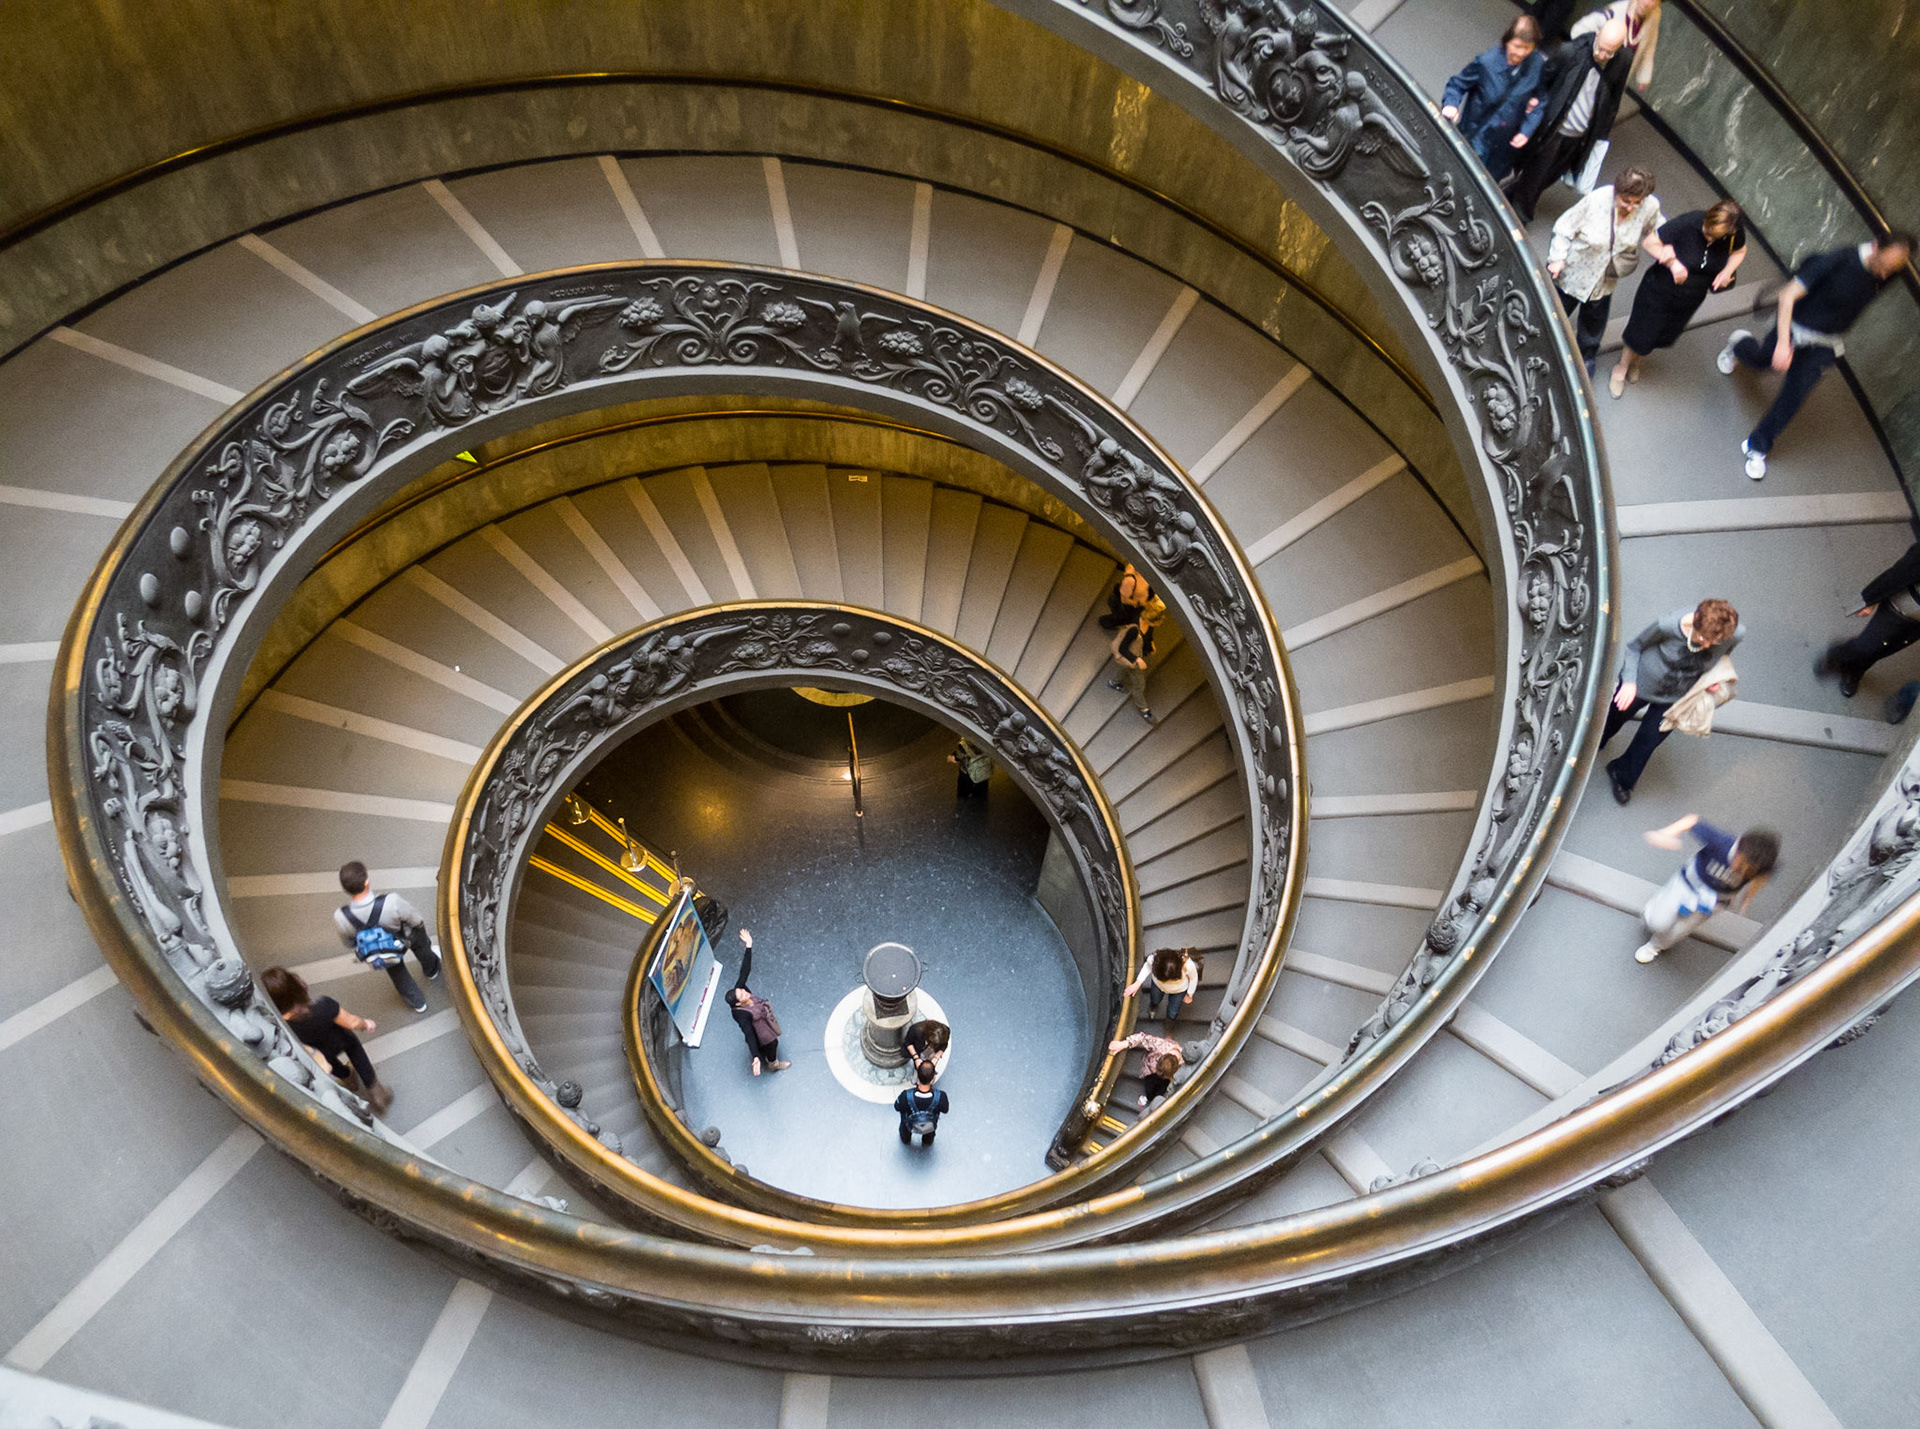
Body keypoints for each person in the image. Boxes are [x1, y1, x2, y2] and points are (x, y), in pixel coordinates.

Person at [1717, 233, 1915, 480]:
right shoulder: (1837, 261)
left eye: (1893, 269)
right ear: (1875, 248)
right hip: (1794, 328)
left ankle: (1757, 446)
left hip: (1824, 344)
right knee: (1761, 361)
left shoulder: (1886, 276)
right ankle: (1739, 344)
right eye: (1885, 266)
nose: (1886, 275)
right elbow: (1787, 295)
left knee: (1795, 394)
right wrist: (1781, 342)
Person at [1600, 598, 1743, 805]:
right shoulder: (1667, 626)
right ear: (1695, 621)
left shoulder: (1734, 634)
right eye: (1703, 638)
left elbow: (1722, 657)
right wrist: (1629, 682)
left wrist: (1711, 678)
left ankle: (1621, 775)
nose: (1707, 645)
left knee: (1649, 740)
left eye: (1714, 643)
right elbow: (1634, 647)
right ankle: (1597, 740)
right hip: (1641, 685)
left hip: (1678, 696)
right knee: (1615, 715)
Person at [1610, 200, 1746, 397]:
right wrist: (1674, 264)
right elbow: (1650, 242)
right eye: (1707, 233)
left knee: (1660, 333)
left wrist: (1727, 270)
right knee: (1641, 331)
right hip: (1659, 290)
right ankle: (1621, 367)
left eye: (1715, 237)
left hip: (1689, 299)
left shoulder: (1734, 230)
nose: (1709, 238)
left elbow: (1741, 251)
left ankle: (1637, 358)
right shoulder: (1690, 222)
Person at [1508, 18, 1631, 223]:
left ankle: (1512, 193)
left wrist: (1602, 135)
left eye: (1609, 52)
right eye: (1601, 49)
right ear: (1597, 34)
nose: (1602, 55)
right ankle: (1520, 217)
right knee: (1537, 173)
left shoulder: (1623, 61)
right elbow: (1545, 79)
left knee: (1552, 174)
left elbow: (1613, 100)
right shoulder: (1571, 52)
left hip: (1581, 135)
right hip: (1556, 127)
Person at [1547, 166, 1662, 371]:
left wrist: (1669, 246)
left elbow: (1656, 228)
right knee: (1554, 312)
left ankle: (1586, 357)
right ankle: (1543, 346)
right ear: (1617, 193)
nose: (1631, 207)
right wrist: (1557, 258)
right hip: (1575, 272)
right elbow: (1565, 227)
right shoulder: (1596, 200)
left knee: (1593, 322)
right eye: (1626, 201)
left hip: (1605, 278)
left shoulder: (1650, 206)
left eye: (1638, 203)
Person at [1634, 815, 1778, 964]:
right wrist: (1666, 833)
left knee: (1680, 930)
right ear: (1738, 846)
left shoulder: (1761, 866)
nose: (1741, 871)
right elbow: (1692, 821)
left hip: (1714, 901)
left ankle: (1654, 946)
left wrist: (1747, 899)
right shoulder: (1722, 843)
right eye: (1740, 864)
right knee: (1657, 922)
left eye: (1748, 871)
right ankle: (1652, 912)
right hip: (1688, 884)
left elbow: (1760, 880)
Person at [261, 966, 393, 1115]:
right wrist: (366, 1023)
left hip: (318, 1051)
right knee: (355, 1051)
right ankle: (377, 1094)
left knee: (331, 1062)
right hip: (339, 1039)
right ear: (295, 987)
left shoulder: (282, 1024)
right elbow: (352, 1023)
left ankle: (348, 1077)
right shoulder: (324, 1006)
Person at [1441, 16, 1546, 182]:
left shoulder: (1536, 64)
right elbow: (1457, 84)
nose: (1521, 53)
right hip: (1476, 138)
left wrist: (1527, 130)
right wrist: (1451, 104)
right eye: (1517, 46)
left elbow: (1540, 99)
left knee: (1490, 185)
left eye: (1527, 48)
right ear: (1507, 41)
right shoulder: (1486, 63)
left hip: (1503, 147)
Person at [333, 861, 440, 1014]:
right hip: (407, 937)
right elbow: (415, 919)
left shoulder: (341, 916)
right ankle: (432, 970)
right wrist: (419, 926)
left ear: (346, 889)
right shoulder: (391, 901)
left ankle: (418, 1003)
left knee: (398, 974)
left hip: (382, 950)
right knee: (422, 946)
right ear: (366, 882)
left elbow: (349, 942)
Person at [1815, 543, 1920, 698]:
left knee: (1885, 649)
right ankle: (1837, 657)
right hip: (1900, 609)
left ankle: (1855, 670)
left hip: (1917, 624)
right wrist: (1871, 599)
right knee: (1868, 644)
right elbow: (1903, 571)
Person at [726, 927, 789, 1075]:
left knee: (769, 1042)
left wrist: (749, 946)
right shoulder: (742, 1015)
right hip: (761, 1031)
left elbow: (744, 971)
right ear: (738, 1003)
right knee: (772, 1044)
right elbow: (749, 1034)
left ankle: (764, 1055)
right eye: (742, 995)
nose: (745, 992)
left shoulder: (740, 989)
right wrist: (755, 1056)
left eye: (742, 990)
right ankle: (773, 1064)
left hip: (763, 1018)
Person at [1571, 0, 1661, 92]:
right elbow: (1578, 31)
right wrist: (1597, 48)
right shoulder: (1617, 10)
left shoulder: (1654, 16)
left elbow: (1649, 47)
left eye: (1653, 1)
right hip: (1591, 72)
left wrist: (1644, 75)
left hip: (1614, 79)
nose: (1646, 3)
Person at [1106, 599, 1165, 725]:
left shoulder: (1147, 625)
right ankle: (1144, 709)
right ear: (1148, 619)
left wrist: (1150, 644)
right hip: (1132, 656)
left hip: (1137, 653)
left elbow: (1148, 636)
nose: (1155, 626)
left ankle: (1114, 682)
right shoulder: (1134, 629)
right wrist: (1137, 659)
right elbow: (1122, 649)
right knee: (1139, 685)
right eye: (1155, 623)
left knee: (1125, 668)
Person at [1108, 1029, 1186, 1111]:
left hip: (1162, 1076)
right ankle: (1148, 1097)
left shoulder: (1184, 1060)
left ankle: (1151, 1097)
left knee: (1162, 1089)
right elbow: (1142, 1038)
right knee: (1150, 1086)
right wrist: (1124, 1044)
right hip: (1149, 1070)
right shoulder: (1159, 1046)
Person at [1123, 947, 1200, 1024]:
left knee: (1173, 1010)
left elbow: (1193, 978)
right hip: (1158, 986)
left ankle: (1169, 1021)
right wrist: (1137, 983)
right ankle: (1153, 1007)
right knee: (1155, 999)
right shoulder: (1154, 960)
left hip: (1179, 991)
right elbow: (1148, 966)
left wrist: (1190, 994)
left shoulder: (1188, 965)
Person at [895, 1061, 950, 1146]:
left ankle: (905, 1138)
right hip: (929, 1124)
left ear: (917, 1076)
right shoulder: (941, 1096)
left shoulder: (906, 1095)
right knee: (929, 1132)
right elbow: (945, 1110)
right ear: (933, 1078)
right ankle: (927, 1141)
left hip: (909, 1123)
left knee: (905, 1124)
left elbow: (897, 1107)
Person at [1098, 564, 1155, 631]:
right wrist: (1137, 603)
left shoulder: (1145, 577)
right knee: (1124, 618)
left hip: (1137, 603)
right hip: (1128, 603)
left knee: (1130, 618)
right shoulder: (1130, 580)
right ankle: (1104, 621)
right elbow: (1124, 600)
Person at [948, 736, 993, 800]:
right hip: (982, 766)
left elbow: (960, 754)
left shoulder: (965, 742)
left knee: (965, 782)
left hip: (969, 769)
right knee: (982, 780)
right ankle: (980, 794)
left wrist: (953, 757)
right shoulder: (984, 738)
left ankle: (964, 795)